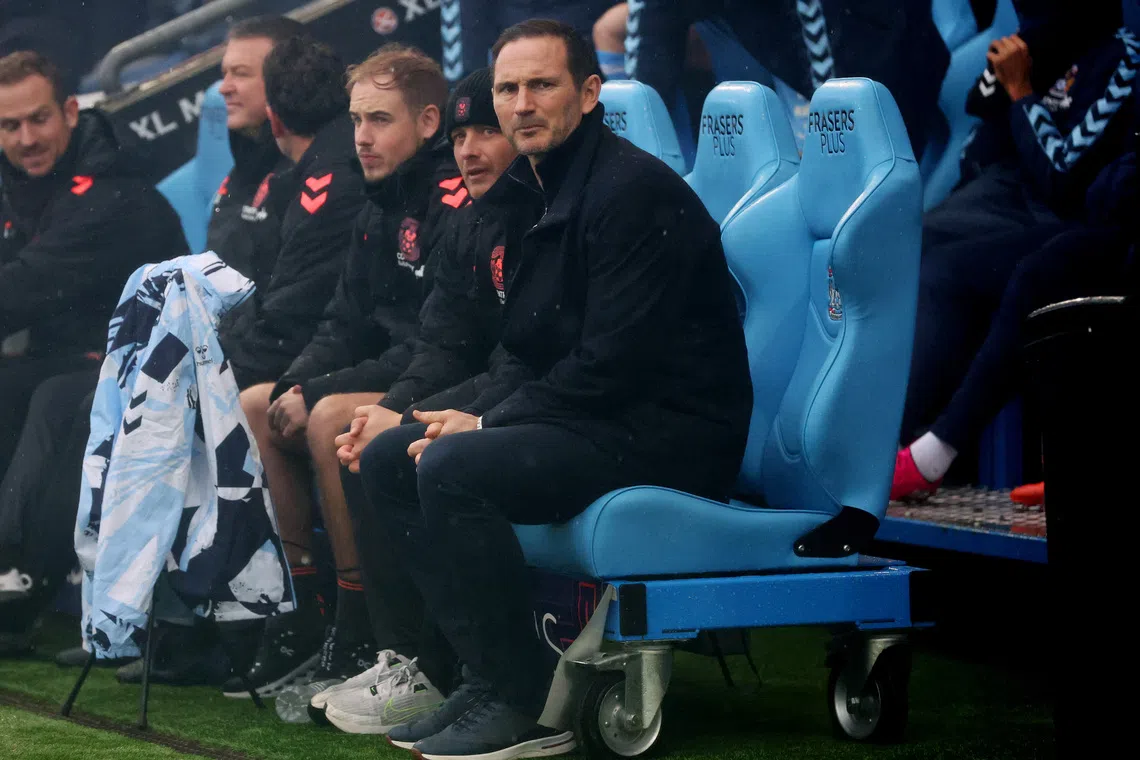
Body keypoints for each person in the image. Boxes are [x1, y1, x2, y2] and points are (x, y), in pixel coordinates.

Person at [345, 20, 752, 759]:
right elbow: (527, 353)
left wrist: (485, 423)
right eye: (507, 88)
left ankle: (522, 702)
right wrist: (443, 412)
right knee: (390, 459)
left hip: (669, 433)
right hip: (596, 417)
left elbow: (610, 366)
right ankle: (490, 672)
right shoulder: (538, 192)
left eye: (542, 85)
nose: (522, 103)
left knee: (451, 466)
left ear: (590, 93)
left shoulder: (630, 193)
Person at [227, 42, 466, 699]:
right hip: (395, 370)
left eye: (380, 120)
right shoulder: (378, 202)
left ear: (426, 123)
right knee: (256, 403)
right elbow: (340, 322)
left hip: (443, 380)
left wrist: (319, 391)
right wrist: (294, 381)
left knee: (333, 415)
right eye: (356, 120)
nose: (361, 137)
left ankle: (364, 628)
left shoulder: (452, 201)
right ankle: (309, 613)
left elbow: (434, 341)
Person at [308, 66, 520, 732]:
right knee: (379, 440)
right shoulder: (471, 220)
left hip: (553, 412)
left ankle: (458, 669)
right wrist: (394, 408)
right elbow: (437, 342)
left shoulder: (544, 216)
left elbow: (532, 357)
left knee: (406, 448)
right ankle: (404, 654)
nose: (470, 151)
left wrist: (453, 413)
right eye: (463, 135)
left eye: (488, 131)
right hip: (492, 392)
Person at [893, 3, 1135, 499]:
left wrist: (1022, 92)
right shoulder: (1036, 47)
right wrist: (1009, 85)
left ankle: (921, 454)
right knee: (912, 247)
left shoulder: (1121, 59)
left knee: (982, 268)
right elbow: (980, 148)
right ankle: (893, 442)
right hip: (1011, 213)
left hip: (1067, 221)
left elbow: (1063, 178)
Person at [0, 50, 189, 656]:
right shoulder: (23, 185)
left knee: (61, 399)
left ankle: (18, 575)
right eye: (9, 126)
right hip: (68, 358)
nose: (26, 139)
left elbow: (20, 288)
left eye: (38, 120)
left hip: (148, 370)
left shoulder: (112, 195)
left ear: (72, 111)